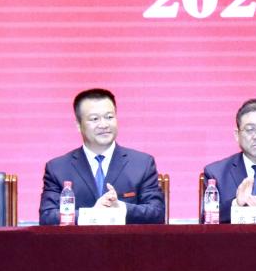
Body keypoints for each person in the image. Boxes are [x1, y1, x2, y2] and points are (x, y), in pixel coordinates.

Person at [39, 88, 165, 225]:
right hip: (78, 239)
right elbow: (47, 217)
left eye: (109, 117)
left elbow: (157, 213)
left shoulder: (142, 164)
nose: (104, 125)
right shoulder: (58, 168)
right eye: (94, 119)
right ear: (78, 125)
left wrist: (121, 209)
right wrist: (91, 215)